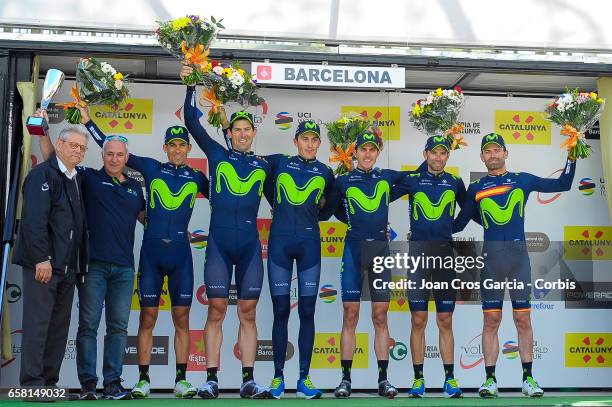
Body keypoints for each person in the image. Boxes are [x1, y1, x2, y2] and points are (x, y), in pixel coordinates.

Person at [77, 104, 208, 398]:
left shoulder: (197, 177)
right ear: (165, 147)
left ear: (188, 148)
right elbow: (114, 149)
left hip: (181, 256)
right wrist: (88, 121)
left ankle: (181, 380)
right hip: (151, 254)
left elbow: (225, 198)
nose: (177, 150)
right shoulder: (150, 167)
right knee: (146, 317)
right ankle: (143, 379)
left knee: (182, 319)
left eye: (181, 145)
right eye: (172, 145)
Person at [453, 133, 576, 398]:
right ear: (482, 157)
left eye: (497, 150)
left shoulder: (523, 180)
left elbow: (564, 184)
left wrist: (573, 152)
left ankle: (528, 379)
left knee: (523, 319)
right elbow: (460, 223)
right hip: (491, 262)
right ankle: (489, 381)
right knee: (491, 320)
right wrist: (425, 232)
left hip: (519, 260)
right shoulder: (476, 188)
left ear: (506, 153)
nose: (493, 155)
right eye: (488, 151)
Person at [36, 109, 145, 400]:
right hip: (92, 266)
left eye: (119, 154)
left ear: (126, 157)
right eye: (109, 153)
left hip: (124, 268)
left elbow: (149, 220)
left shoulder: (136, 189)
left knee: (119, 328)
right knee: (88, 326)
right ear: (102, 155)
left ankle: (112, 383)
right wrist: (42, 130)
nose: (114, 158)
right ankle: (87, 385)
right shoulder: (87, 178)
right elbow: (53, 160)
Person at [182, 68, 271, 399]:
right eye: (238, 129)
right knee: (216, 309)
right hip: (219, 243)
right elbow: (192, 122)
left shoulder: (265, 165)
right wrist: (190, 81)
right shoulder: (216, 154)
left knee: (247, 312)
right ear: (229, 133)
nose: (244, 133)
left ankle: (248, 380)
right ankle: (211, 379)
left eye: (249, 129)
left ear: (253, 133)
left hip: (249, 246)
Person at [320, 132, 423, 399]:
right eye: (362, 150)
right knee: (350, 315)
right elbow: (330, 211)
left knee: (380, 316)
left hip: (380, 253)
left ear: (378, 152)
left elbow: (416, 176)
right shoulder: (343, 180)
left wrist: (444, 142)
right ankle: (345, 379)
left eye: (372, 149)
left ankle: (383, 379)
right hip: (354, 251)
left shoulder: (386, 177)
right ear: (354, 153)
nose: (367, 154)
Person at [12, 125, 89, 393]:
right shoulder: (42, 175)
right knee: (38, 325)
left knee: (58, 329)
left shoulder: (76, 178)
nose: (77, 151)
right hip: (43, 265)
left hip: (68, 268)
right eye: (73, 145)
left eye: (82, 148)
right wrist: (42, 258)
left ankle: (48, 383)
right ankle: (32, 384)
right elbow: (33, 222)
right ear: (59, 145)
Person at [262, 121, 334, 399]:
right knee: (281, 311)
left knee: (307, 312)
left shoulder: (326, 172)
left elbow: (329, 208)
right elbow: (263, 186)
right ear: (295, 141)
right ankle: (278, 377)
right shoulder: (279, 163)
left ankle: (304, 379)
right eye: (305, 138)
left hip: (309, 247)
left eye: (315, 140)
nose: (311, 144)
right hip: (279, 243)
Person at [391, 136, 467, 398]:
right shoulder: (413, 179)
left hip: (445, 256)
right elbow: (383, 195)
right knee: (418, 319)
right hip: (418, 256)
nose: (438, 158)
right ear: (425, 154)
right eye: (433, 153)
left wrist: (449, 229)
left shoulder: (455, 182)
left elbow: (467, 213)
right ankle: (418, 379)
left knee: (445, 319)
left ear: (448, 156)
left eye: (443, 154)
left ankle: (450, 379)